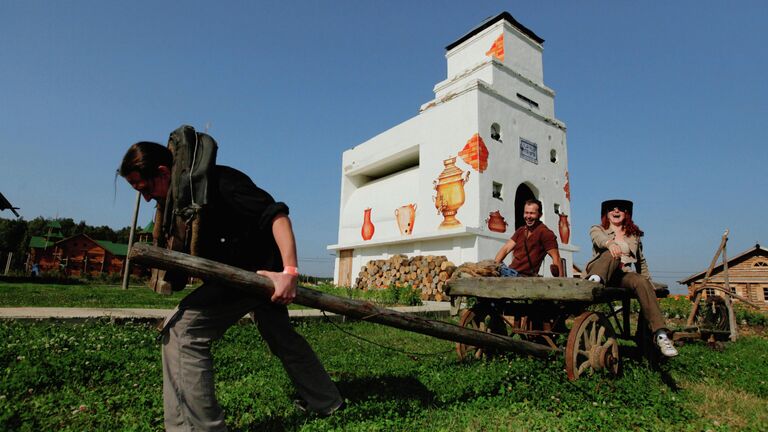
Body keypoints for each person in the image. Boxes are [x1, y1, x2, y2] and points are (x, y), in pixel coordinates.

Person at [119, 141, 343, 431]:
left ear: (162, 171)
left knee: (182, 331)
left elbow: (276, 215)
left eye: (144, 189)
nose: (147, 198)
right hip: (240, 274)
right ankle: (327, 401)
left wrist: (289, 271)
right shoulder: (181, 204)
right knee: (282, 337)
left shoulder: (221, 181)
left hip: (256, 276)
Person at [585, 199, 678, 357]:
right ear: (606, 214)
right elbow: (599, 240)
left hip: (621, 275)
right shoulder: (597, 229)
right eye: (612, 209)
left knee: (641, 281)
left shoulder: (633, 235)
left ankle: (661, 335)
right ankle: (593, 282)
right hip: (600, 270)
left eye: (620, 209)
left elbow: (641, 262)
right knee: (613, 253)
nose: (616, 211)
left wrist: (648, 284)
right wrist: (610, 244)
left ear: (626, 213)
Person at [494, 199, 564, 277]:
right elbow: (505, 249)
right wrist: (494, 268)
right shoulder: (520, 230)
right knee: (485, 268)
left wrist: (561, 283)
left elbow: (556, 258)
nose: (528, 217)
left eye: (532, 213)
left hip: (524, 277)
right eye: (526, 213)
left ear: (540, 215)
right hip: (510, 272)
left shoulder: (545, 233)